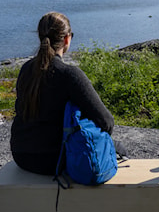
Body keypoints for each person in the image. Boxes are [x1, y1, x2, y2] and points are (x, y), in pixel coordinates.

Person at [10, 12, 119, 175]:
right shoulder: (70, 74)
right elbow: (106, 122)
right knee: (117, 148)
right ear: (67, 39)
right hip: (55, 159)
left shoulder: (26, 69)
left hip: (21, 155)